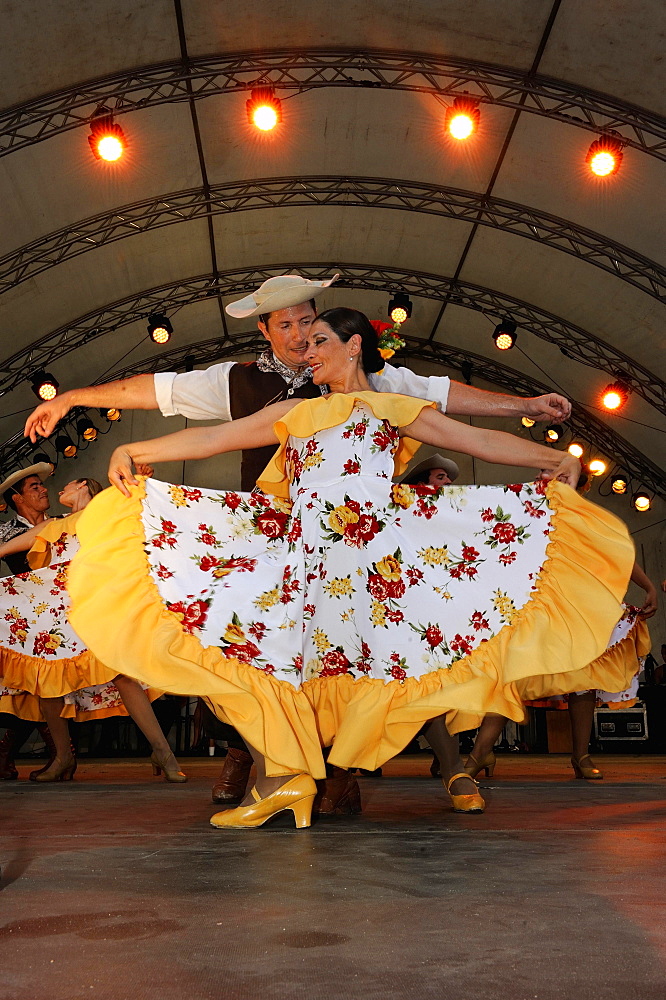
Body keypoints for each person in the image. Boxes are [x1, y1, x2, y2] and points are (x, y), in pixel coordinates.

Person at [67, 306, 635, 829]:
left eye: (318, 341)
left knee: (370, 666)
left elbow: (478, 440)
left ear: (353, 346)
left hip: (370, 572)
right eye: (303, 342)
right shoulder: (295, 412)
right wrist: (136, 454)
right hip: (306, 566)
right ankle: (282, 783)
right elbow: (215, 436)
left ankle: (312, 781)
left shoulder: (390, 409)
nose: (306, 351)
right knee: (269, 659)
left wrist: (555, 457)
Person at [0, 476, 187, 783]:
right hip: (60, 613)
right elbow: (21, 542)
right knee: (47, 679)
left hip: (97, 607)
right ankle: (63, 757)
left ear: (84, 486)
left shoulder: (108, 511)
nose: (57, 489)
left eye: (67, 484)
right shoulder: (58, 523)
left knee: (122, 675)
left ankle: (163, 753)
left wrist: (137, 474)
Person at [464, 561, 657, 781]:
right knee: (514, 674)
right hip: (541, 595)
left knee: (583, 678)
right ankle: (480, 752)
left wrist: (648, 586)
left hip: (584, 599)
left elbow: (616, 547)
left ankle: (581, 755)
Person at [0, 462, 55, 778]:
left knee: (53, 686)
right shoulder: (7, 533)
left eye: (40, 485)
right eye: (34, 487)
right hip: (29, 618)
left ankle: (9, 751)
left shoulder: (62, 522)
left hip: (63, 614)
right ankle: (61, 753)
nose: (43, 488)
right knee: (35, 686)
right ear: (17, 499)